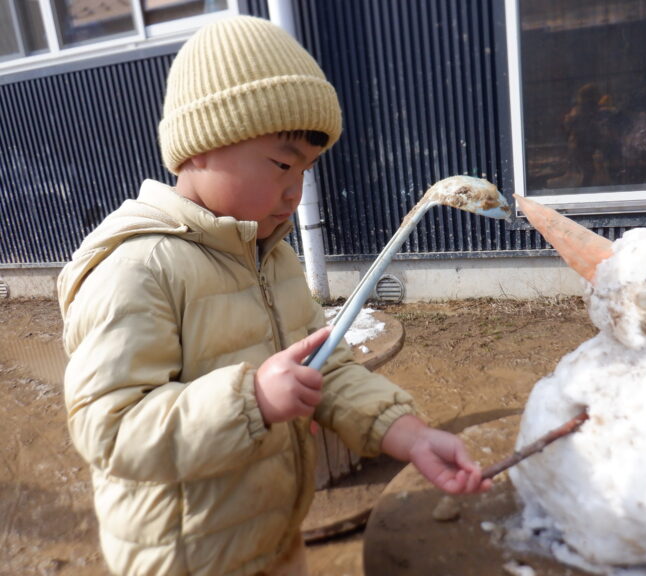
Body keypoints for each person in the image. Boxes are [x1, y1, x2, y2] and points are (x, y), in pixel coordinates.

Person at [56, 15, 491, 576]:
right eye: (283, 164)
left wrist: (407, 434)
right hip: (186, 558)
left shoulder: (270, 255)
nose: (295, 191)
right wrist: (252, 401)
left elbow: (323, 366)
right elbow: (110, 431)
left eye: (306, 170)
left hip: (275, 538)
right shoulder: (139, 268)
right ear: (199, 149)